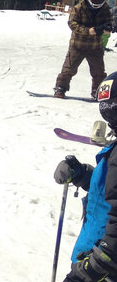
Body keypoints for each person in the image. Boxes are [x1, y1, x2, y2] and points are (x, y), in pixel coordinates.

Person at [54, 71, 117, 281]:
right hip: (94, 256)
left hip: (104, 267)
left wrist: (96, 266)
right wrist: (81, 174)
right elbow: (110, 191)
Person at [55, 0, 112, 99]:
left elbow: (109, 20)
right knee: (68, 69)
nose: (97, 7)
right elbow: (72, 23)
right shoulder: (79, 7)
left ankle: (98, 91)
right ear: (90, 2)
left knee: (98, 71)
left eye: (99, 5)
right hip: (78, 45)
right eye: (95, 5)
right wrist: (87, 31)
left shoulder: (104, 8)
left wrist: (107, 27)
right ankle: (60, 88)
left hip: (95, 46)